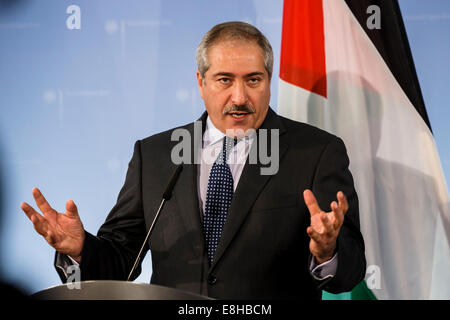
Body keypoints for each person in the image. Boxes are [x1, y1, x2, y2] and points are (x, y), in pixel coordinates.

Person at [21, 21, 366, 299]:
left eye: (253, 80)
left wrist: (327, 251)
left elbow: (350, 272)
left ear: (268, 82)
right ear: (200, 82)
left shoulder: (316, 152)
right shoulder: (155, 155)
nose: (240, 97)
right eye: (225, 80)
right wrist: (81, 249)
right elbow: (121, 262)